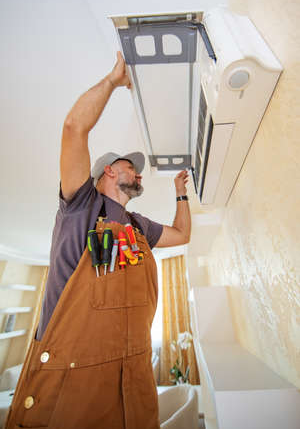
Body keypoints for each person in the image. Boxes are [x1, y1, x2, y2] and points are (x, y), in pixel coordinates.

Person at [5, 52, 191, 429]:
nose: (137, 174)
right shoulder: (80, 205)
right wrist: (112, 81)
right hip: (72, 383)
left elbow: (183, 234)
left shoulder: (139, 227)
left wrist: (180, 193)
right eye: (130, 168)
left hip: (132, 385)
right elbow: (74, 128)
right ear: (108, 171)